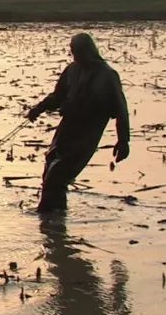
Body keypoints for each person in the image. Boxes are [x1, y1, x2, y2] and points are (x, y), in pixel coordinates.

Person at [26, 33, 130, 213]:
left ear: (89, 51)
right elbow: (57, 96)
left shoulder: (108, 76)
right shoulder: (72, 70)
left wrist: (123, 141)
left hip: (87, 133)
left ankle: (49, 222)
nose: (76, 56)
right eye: (73, 52)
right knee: (50, 168)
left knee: (57, 176)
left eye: (79, 52)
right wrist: (39, 109)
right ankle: (55, 218)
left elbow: (121, 110)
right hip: (67, 130)